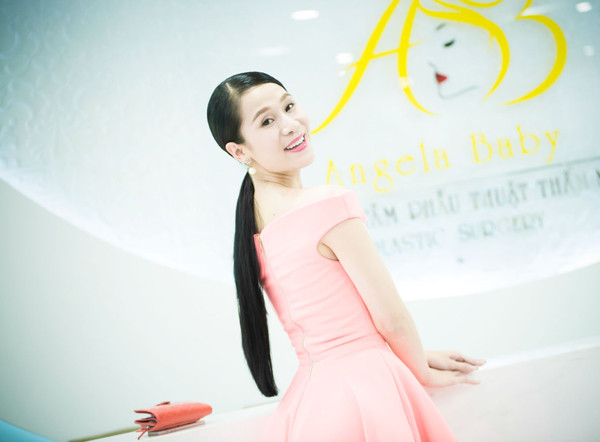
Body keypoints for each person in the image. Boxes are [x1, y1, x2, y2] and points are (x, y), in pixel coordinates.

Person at [207, 71, 485, 442]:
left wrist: (416, 354)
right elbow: (392, 319)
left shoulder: (253, 223)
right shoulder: (326, 204)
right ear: (239, 151)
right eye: (267, 121)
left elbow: (334, 330)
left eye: (289, 106)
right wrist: (422, 372)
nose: (290, 125)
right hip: (367, 392)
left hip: (311, 402)